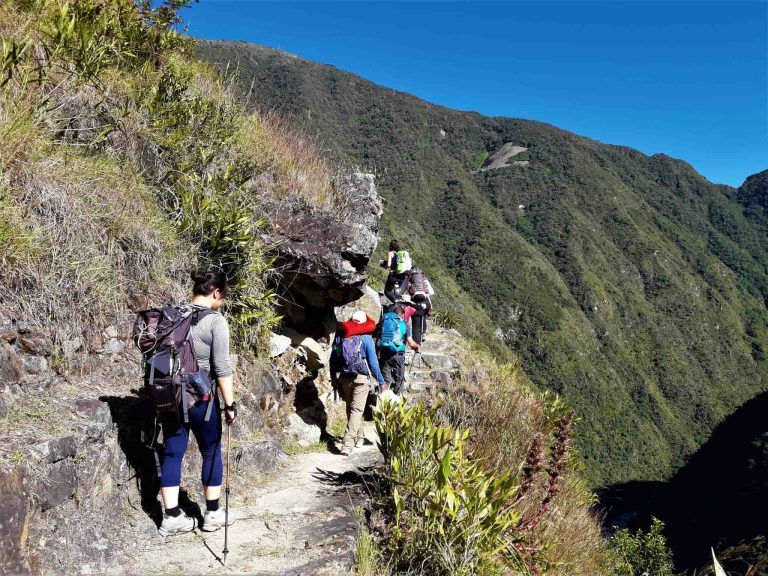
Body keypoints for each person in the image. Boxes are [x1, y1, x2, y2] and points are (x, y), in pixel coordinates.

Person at [158, 270, 237, 537]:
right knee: (211, 450)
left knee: (172, 452)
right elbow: (222, 367)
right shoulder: (215, 321)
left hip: (169, 395)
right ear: (216, 293)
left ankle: (171, 517)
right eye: (222, 297)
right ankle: (213, 514)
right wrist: (230, 404)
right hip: (201, 397)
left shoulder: (172, 316)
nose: (221, 302)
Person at [331, 310, 386, 456]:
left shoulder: (341, 336)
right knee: (356, 410)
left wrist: (334, 377)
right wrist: (381, 381)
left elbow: (334, 357)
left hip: (344, 377)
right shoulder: (367, 339)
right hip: (361, 379)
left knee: (352, 409)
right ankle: (347, 445)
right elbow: (373, 363)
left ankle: (360, 437)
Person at [376, 304, 420, 394]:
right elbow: (411, 343)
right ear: (402, 315)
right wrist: (417, 346)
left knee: (386, 380)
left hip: (384, 354)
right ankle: (397, 401)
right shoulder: (404, 325)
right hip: (398, 356)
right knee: (399, 380)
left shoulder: (385, 323)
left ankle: (383, 401)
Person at [398, 268, 434, 345]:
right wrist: (424, 294)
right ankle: (423, 333)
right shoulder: (423, 278)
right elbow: (431, 292)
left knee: (415, 326)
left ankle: (416, 346)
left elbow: (400, 291)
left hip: (415, 302)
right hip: (425, 302)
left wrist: (397, 290)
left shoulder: (408, 278)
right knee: (423, 314)